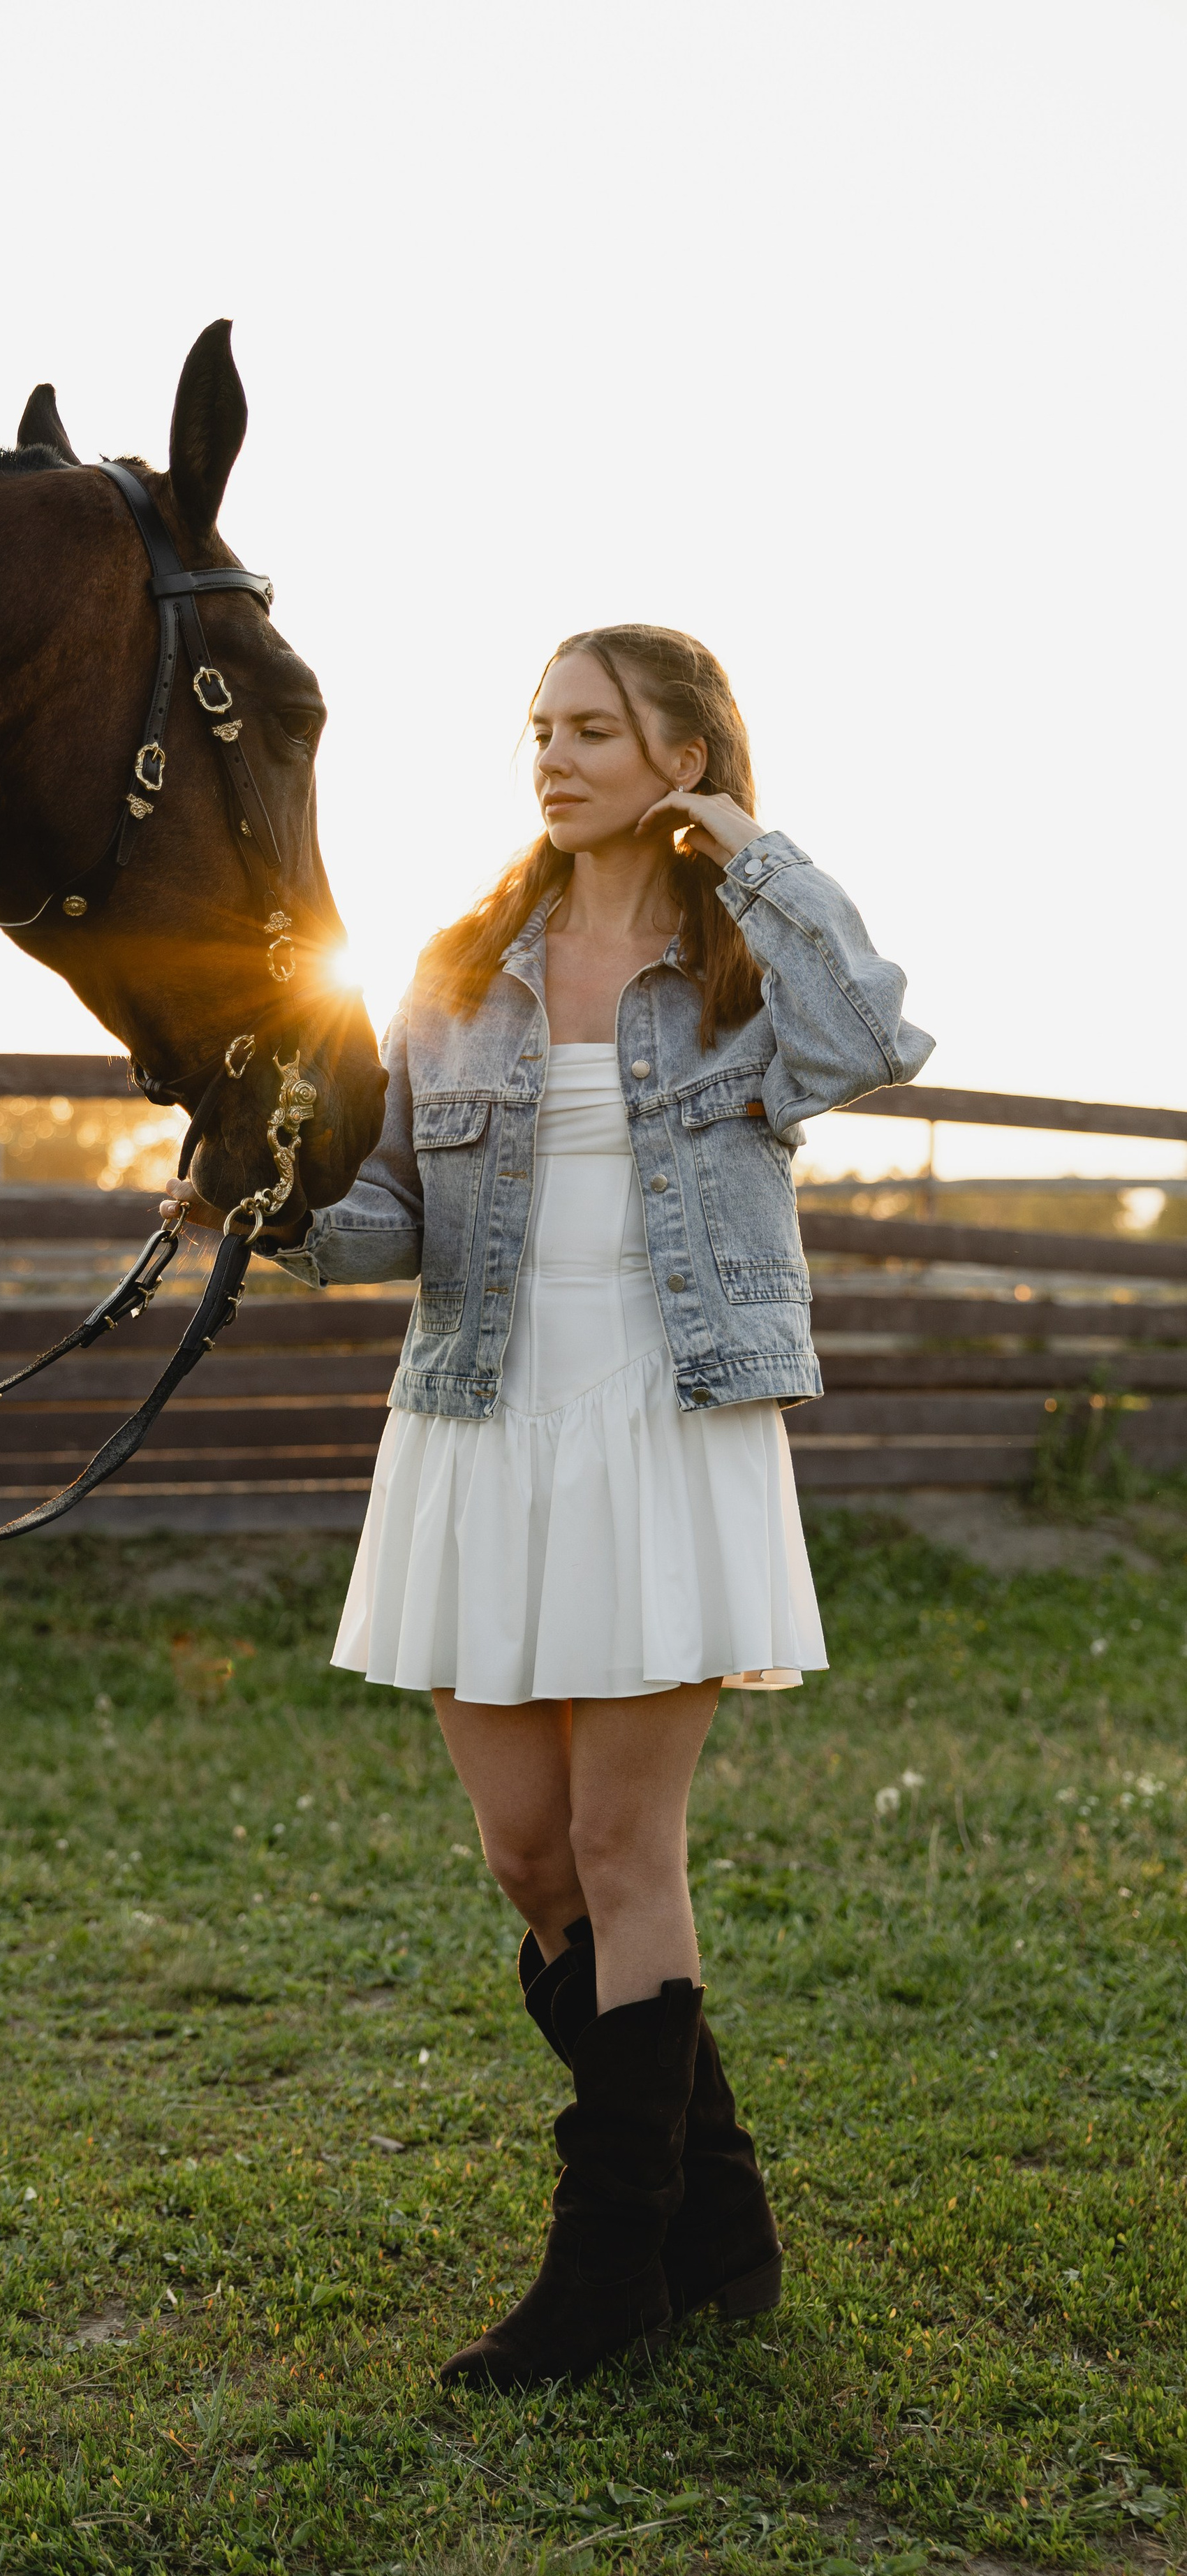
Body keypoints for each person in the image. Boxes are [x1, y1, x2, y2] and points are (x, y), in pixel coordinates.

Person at [164, 624, 932, 2387]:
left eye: (593, 729)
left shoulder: (741, 966)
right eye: (539, 729)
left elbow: (876, 1031)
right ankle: (716, 2228)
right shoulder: (457, 966)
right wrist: (261, 1206)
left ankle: (602, 2284)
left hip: (663, 1423)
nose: (552, 755)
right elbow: (398, 1228)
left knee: (618, 1852)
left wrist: (741, 837)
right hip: (477, 1418)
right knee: (525, 1856)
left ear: (680, 752)